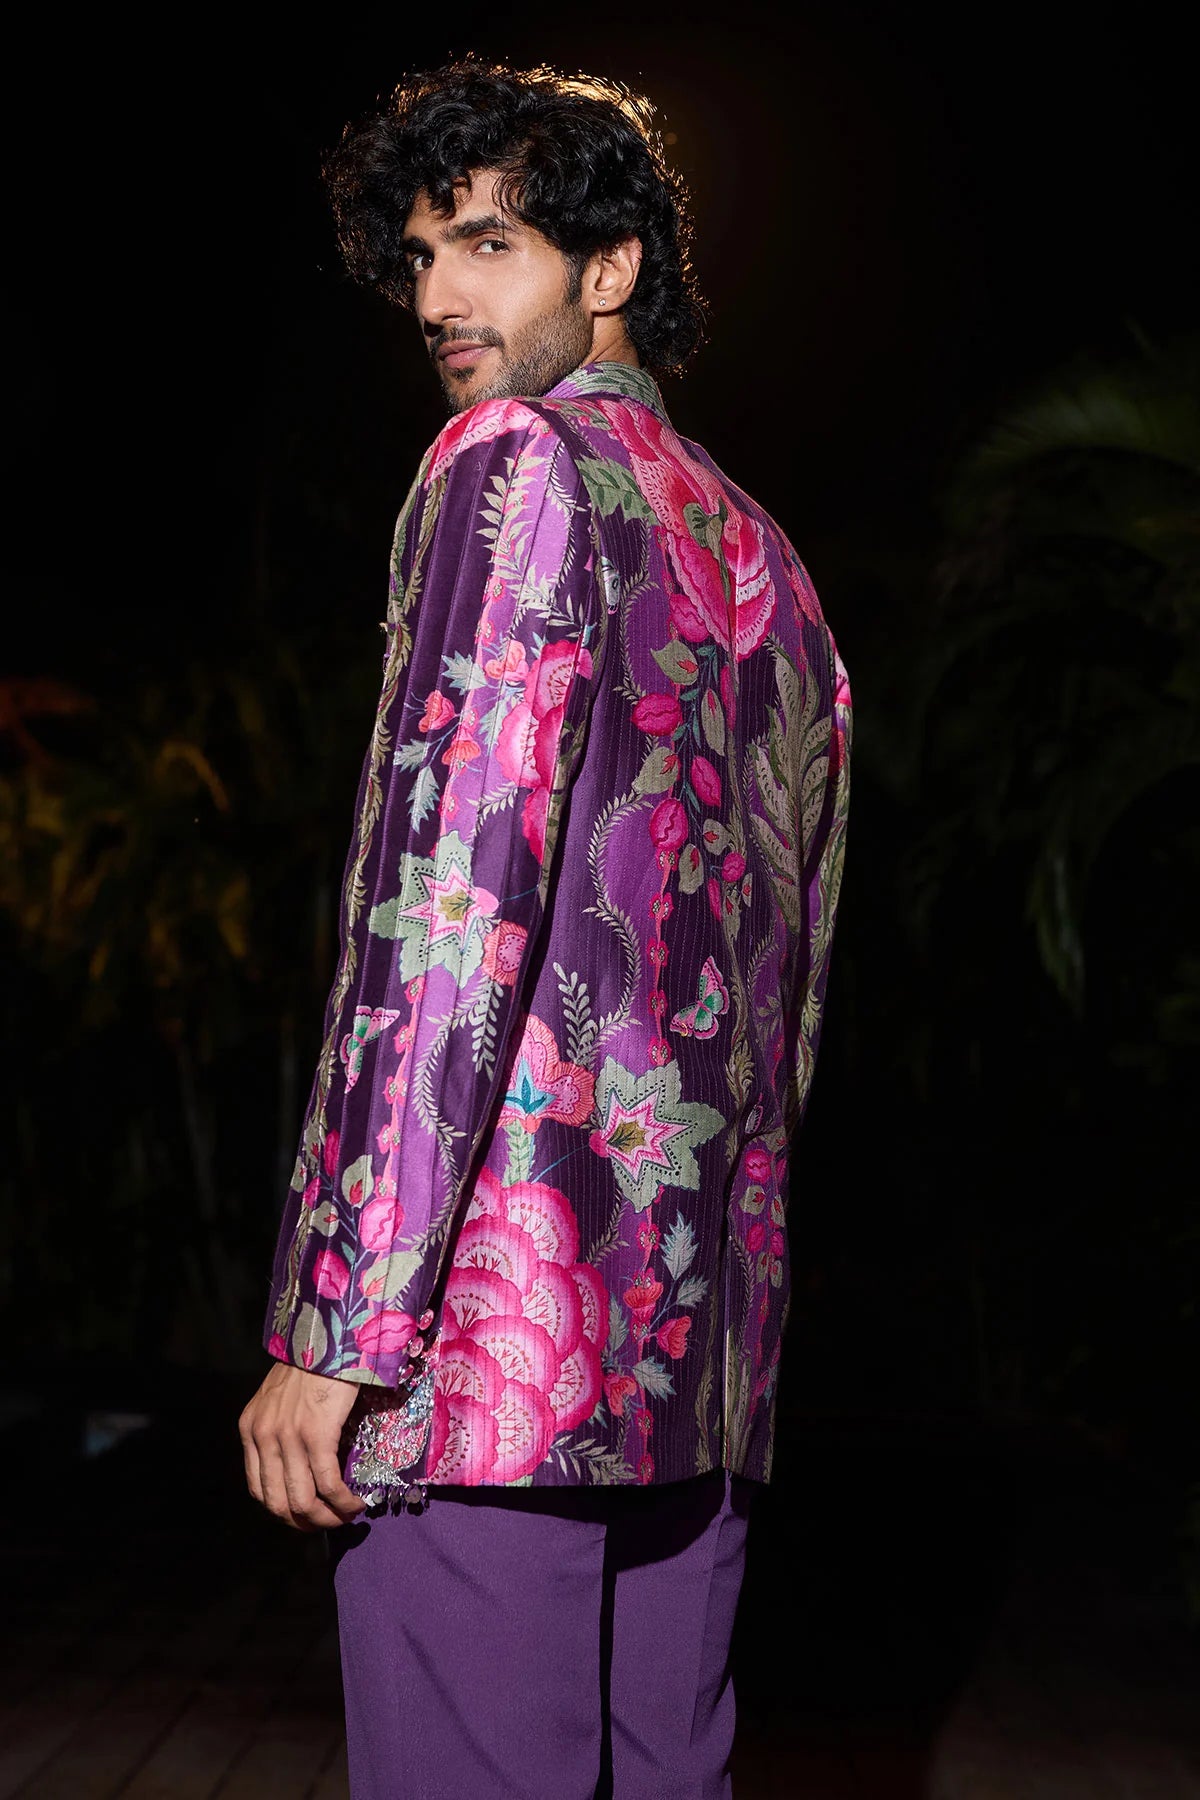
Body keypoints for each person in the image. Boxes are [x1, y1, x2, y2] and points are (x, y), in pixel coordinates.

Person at [238, 58, 851, 1800]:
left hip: (492, 1350)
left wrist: (340, 1325)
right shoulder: (763, 552)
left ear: (613, 266)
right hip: (695, 1358)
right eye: (421, 253)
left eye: (490, 243)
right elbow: (790, 981)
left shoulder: (512, 460)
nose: (438, 294)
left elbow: (447, 911)